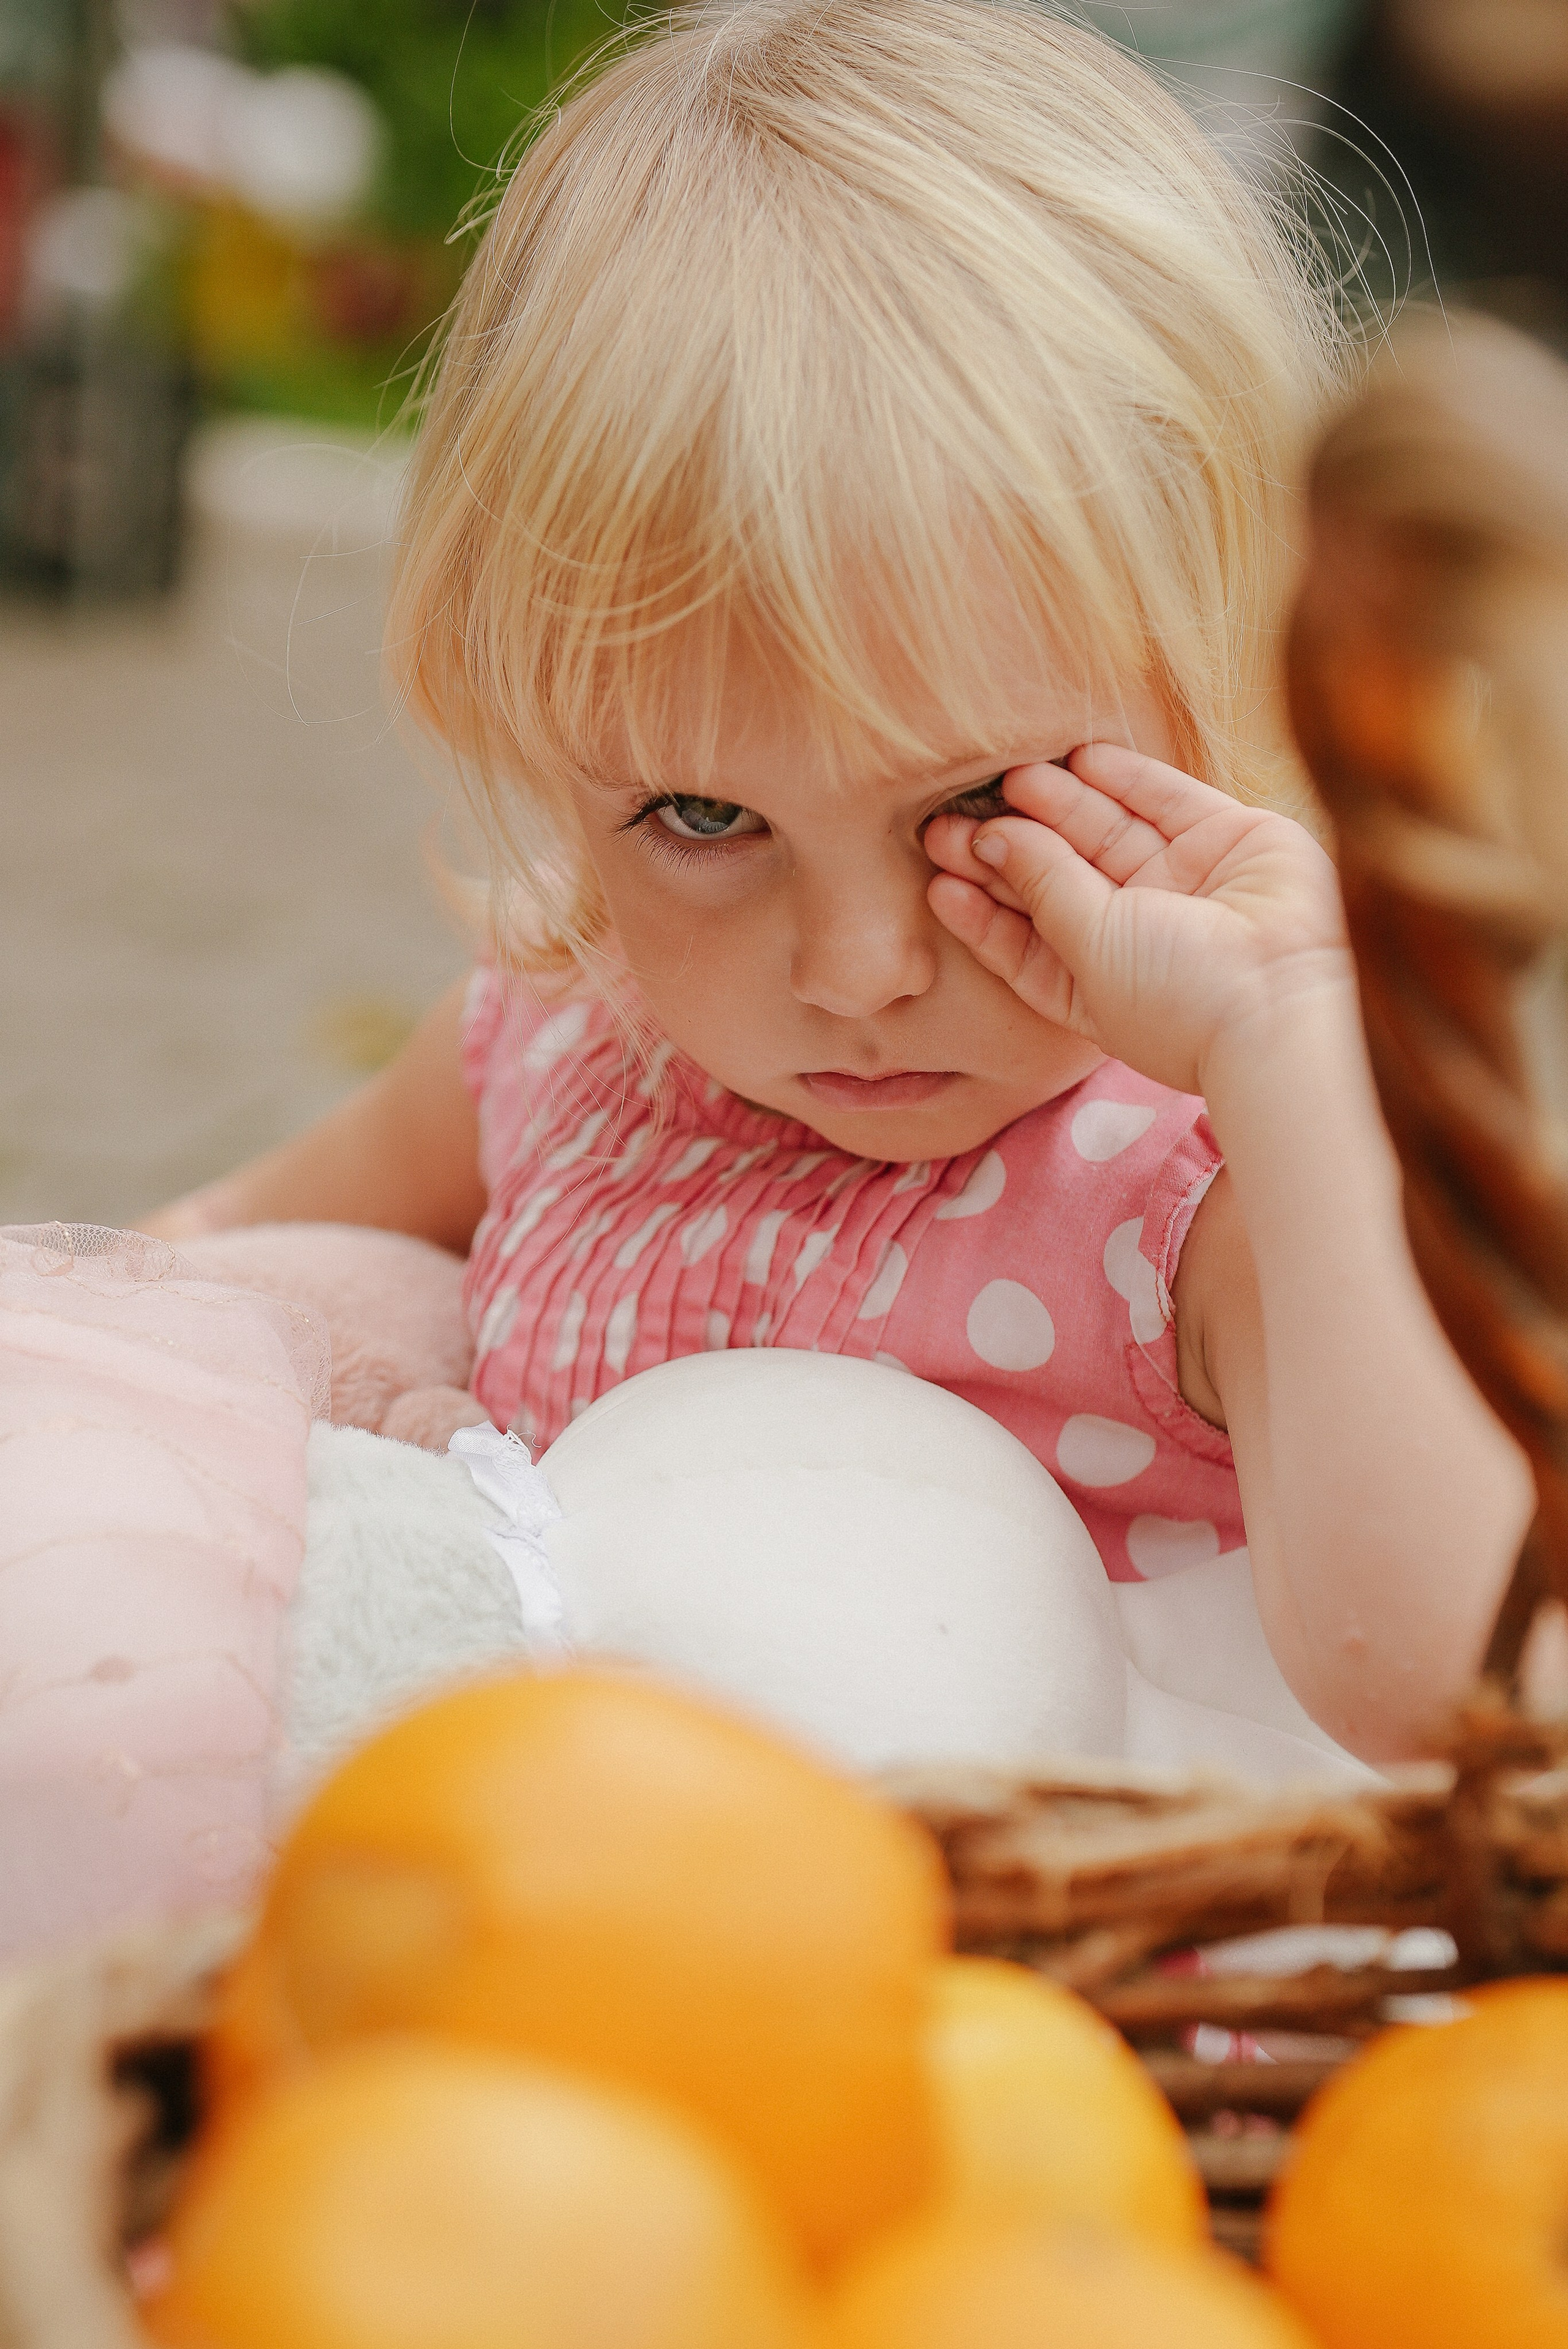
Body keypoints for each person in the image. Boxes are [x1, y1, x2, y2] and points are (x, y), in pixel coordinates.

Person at [141, 0, 1531, 1760]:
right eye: (705, 821)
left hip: (1071, 2013)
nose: (858, 968)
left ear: (1236, 681)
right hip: (540, 1961)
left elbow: (1454, 1683)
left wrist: (1297, 1055)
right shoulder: (565, 1051)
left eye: (985, 804)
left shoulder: (1216, 1186)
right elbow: (183, 1280)